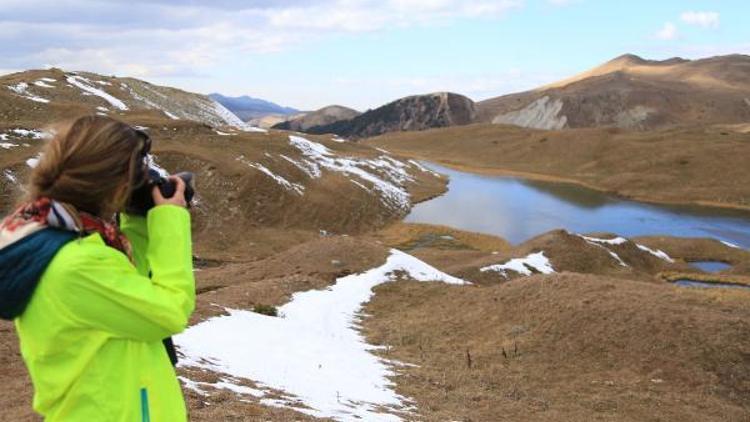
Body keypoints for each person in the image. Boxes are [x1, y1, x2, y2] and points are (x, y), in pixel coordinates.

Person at [0, 115, 195, 421]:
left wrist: (138, 220)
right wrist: (171, 220)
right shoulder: (77, 265)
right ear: (113, 184)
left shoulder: (61, 240)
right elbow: (168, 310)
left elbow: (135, 292)